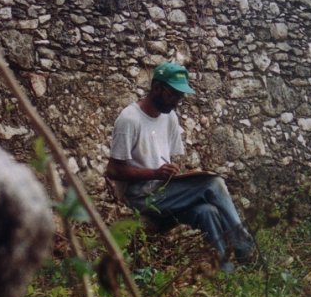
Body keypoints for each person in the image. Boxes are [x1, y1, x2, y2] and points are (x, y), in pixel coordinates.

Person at [106, 61, 255, 273]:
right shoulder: (130, 119)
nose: (177, 101)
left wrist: (175, 174)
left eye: (180, 96)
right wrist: (154, 173)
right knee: (213, 183)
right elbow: (112, 170)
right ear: (156, 87)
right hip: (141, 197)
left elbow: (170, 159)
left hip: (165, 191)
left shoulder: (170, 118)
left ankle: (226, 273)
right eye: (173, 95)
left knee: (208, 211)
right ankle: (245, 247)